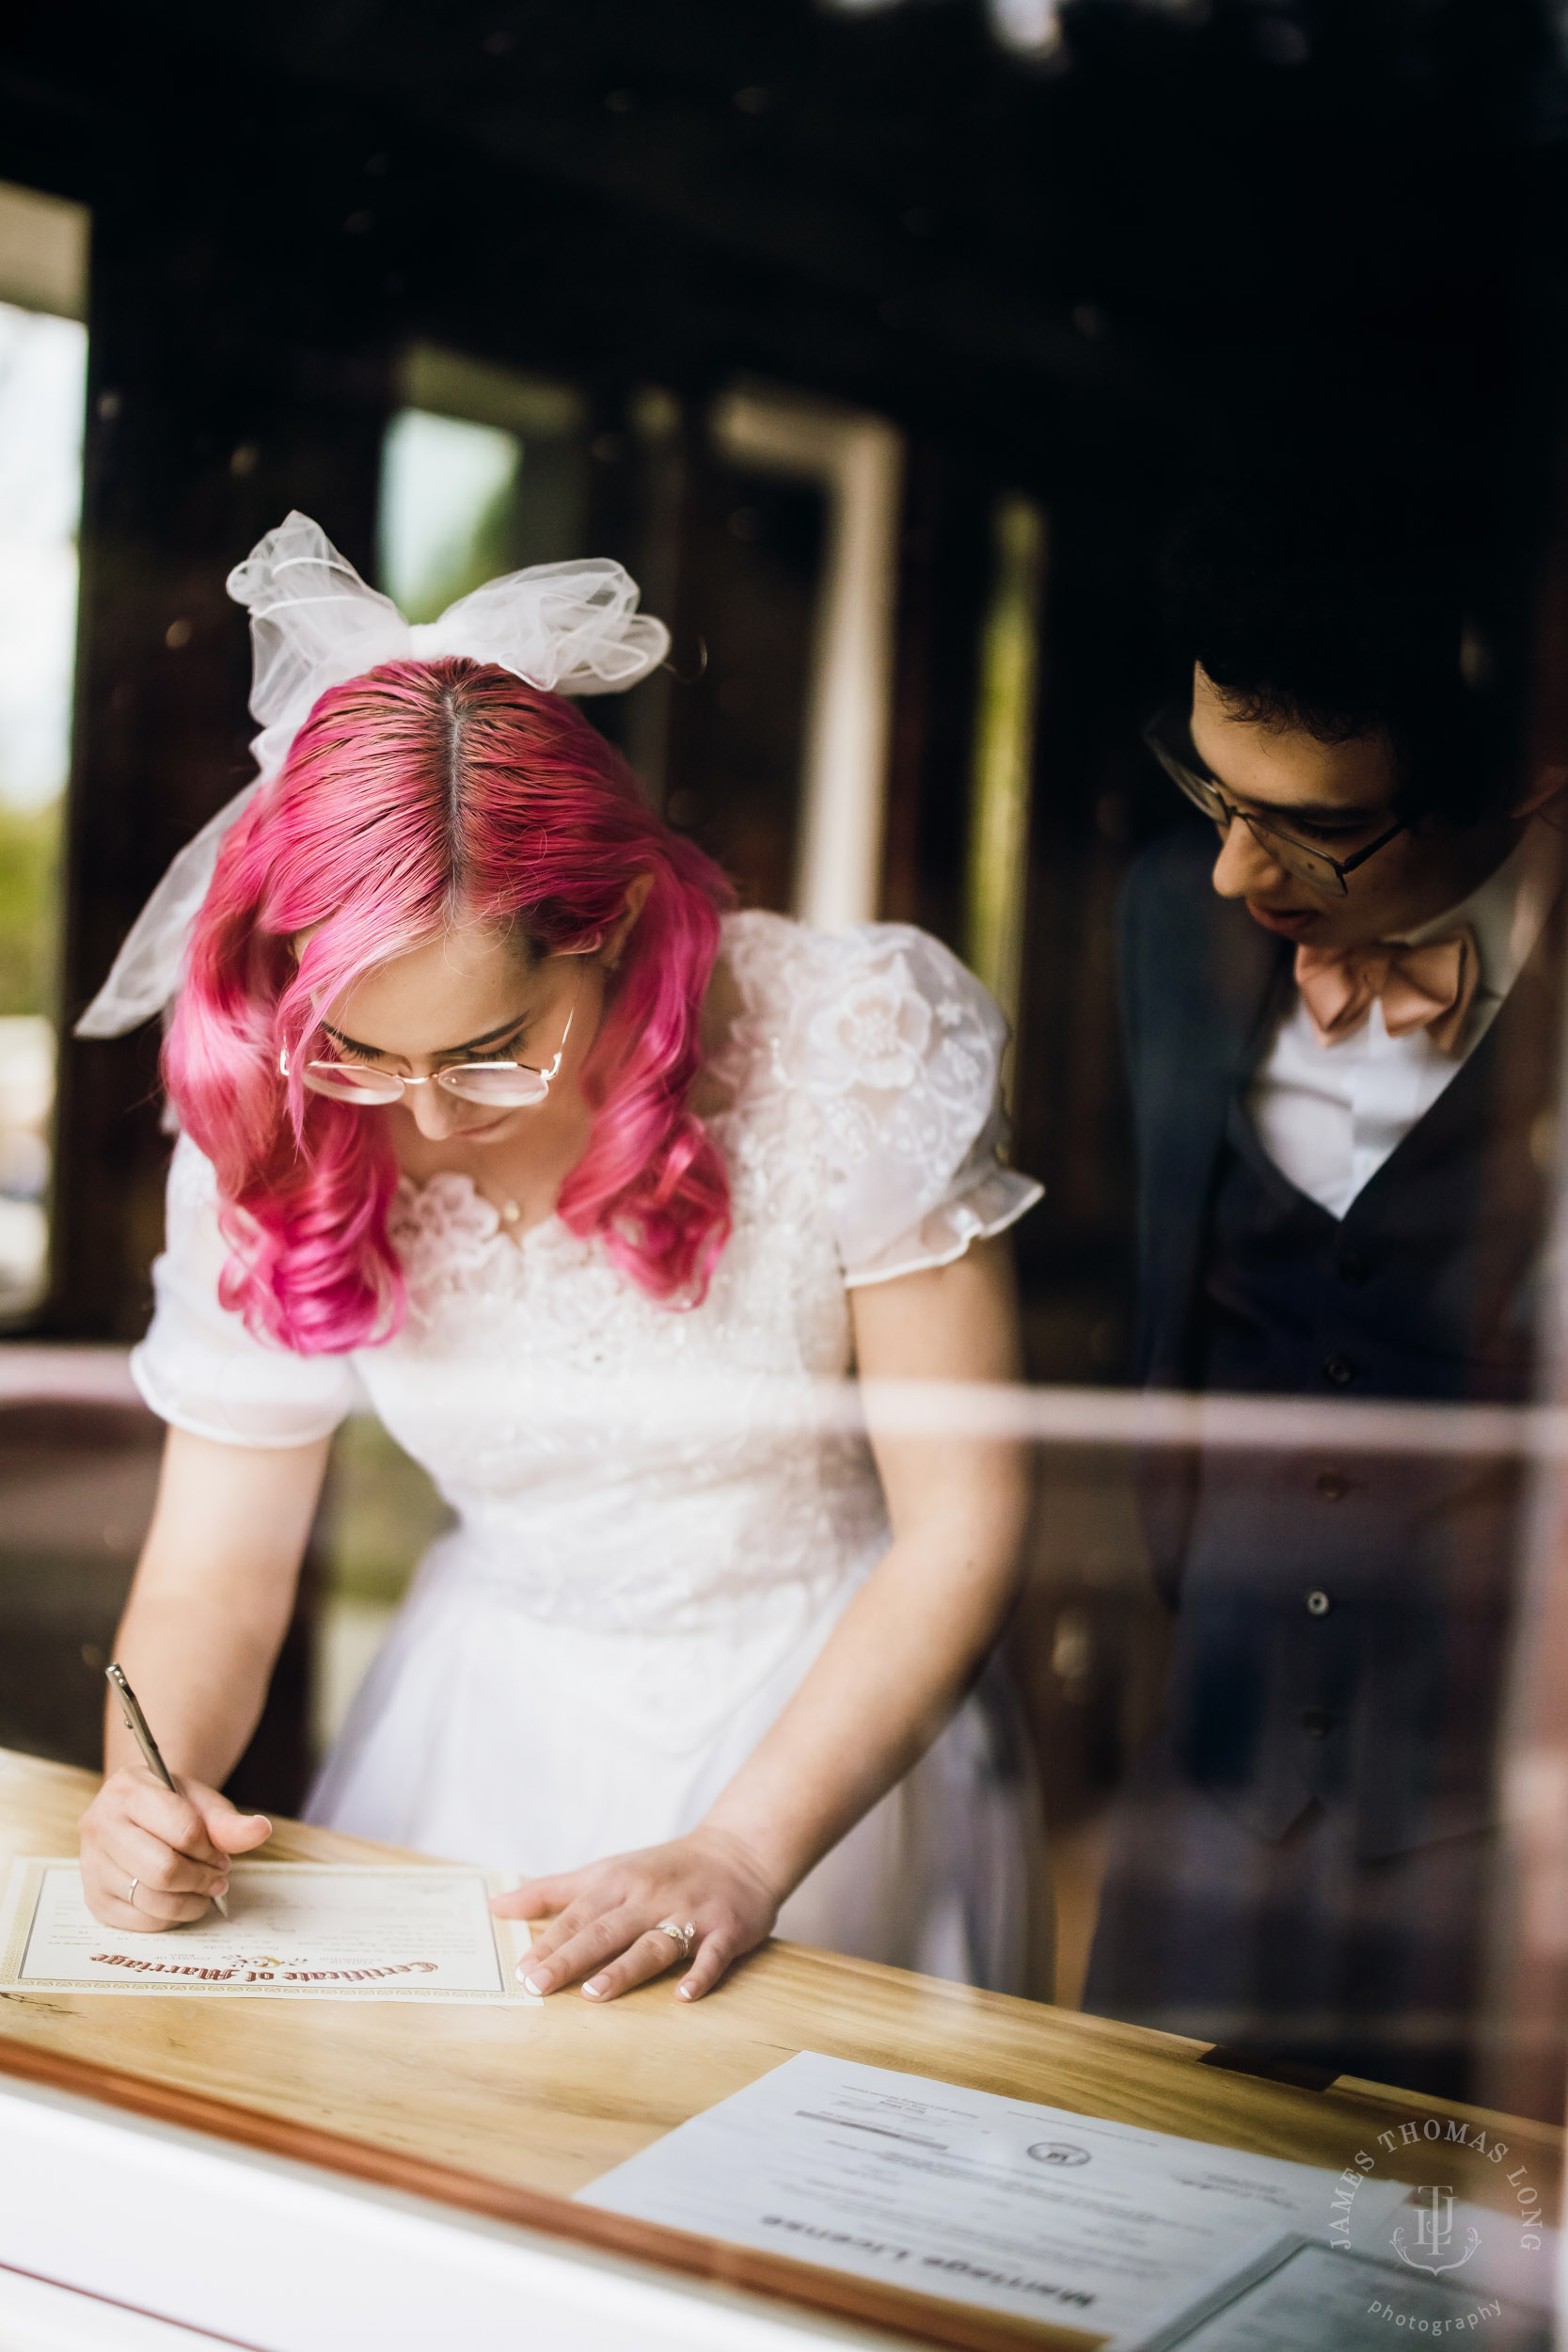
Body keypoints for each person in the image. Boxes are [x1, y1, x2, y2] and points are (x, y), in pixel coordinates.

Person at [74, 514, 1045, 2006]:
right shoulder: (272, 1114)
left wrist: (737, 1850)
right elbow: (218, 1570)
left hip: (818, 1740)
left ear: (619, 930)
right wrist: (148, 1782)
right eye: (362, 1053)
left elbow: (966, 1524)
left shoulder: (839, 1043)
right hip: (487, 1717)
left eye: (489, 1049)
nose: (427, 1115)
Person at [1082, 460, 1566, 2103]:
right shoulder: (1167, 920)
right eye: (1216, 796)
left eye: (1314, 830)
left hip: (1515, 1845)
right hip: (1208, 1791)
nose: (1235, 874)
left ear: (1523, 781)